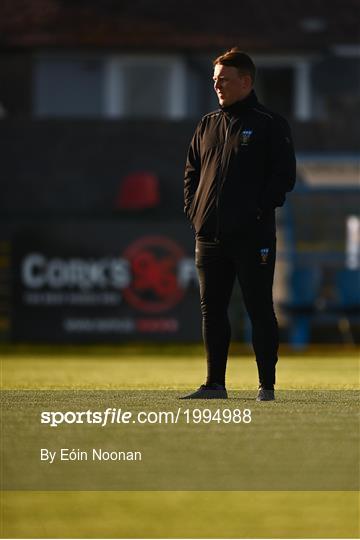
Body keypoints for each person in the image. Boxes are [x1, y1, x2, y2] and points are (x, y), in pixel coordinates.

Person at [181, 48, 296, 401]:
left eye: (224, 79)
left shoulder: (270, 124)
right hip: (210, 235)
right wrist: (195, 211)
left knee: (259, 307)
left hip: (252, 235)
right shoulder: (207, 124)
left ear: (245, 81)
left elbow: (284, 177)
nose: (217, 85)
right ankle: (215, 384)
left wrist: (255, 212)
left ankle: (267, 386)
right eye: (214, 79)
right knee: (211, 309)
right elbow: (191, 174)